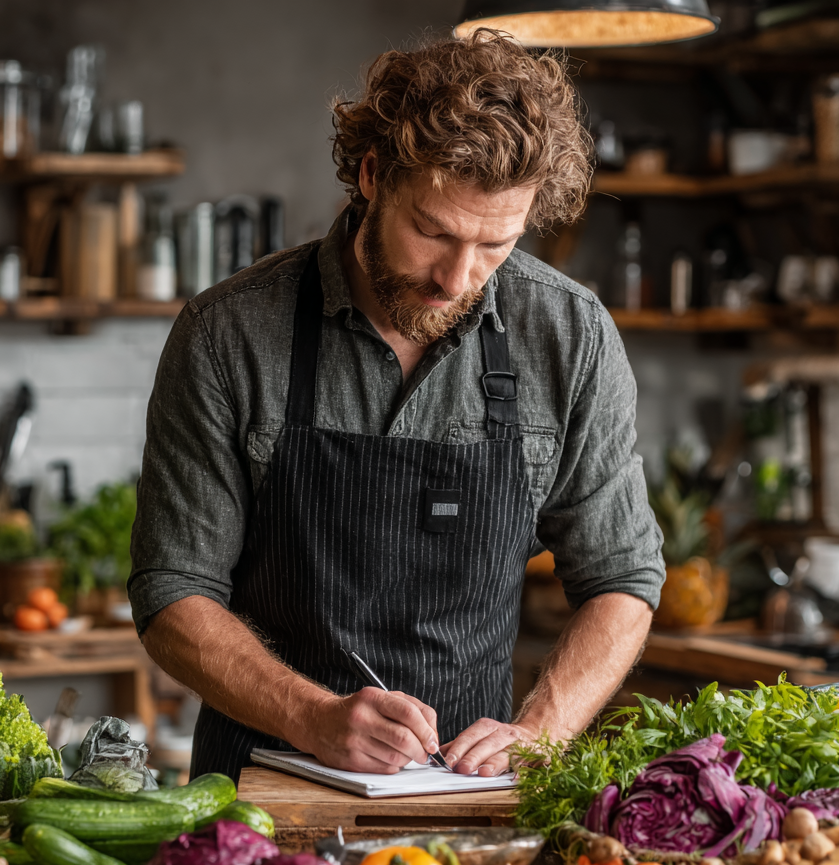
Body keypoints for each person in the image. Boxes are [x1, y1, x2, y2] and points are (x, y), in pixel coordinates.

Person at [129, 29, 664, 783]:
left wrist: (542, 730)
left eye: (495, 246)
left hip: (470, 800)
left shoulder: (570, 337)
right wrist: (311, 717)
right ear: (374, 176)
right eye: (433, 232)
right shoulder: (230, 335)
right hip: (264, 794)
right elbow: (171, 591)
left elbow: (623, 577)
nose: (457, 277)